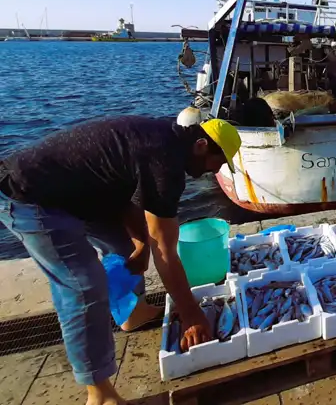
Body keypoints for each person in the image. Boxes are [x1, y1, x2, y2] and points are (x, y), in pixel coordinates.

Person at [0, 116, 241, 405]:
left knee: (124, 248)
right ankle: (100, 395)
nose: (215, 170)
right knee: (83, 286)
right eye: (219, 161)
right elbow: (165, 248)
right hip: (30, 195)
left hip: (81, 193)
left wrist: (140, 244)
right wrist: (190, 313)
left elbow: (123, 187)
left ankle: (131, 312)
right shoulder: (166, 160)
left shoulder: (169, 138)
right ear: (202, 146)